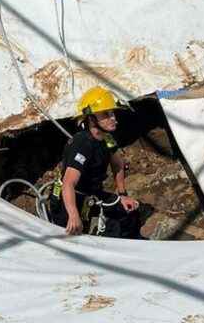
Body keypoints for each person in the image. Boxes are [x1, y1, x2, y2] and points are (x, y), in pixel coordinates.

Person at [46, 86, 143, 239]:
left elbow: (118, 165)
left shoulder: (107, 139)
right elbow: (68, 183)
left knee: (128, 213)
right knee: (76, 236)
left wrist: (122, 194)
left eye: (112, 113)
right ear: (91, 119)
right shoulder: (83, 144)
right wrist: (73, 215)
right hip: (68, 200)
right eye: (106, 114)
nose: (113, 118)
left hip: (91, 194)